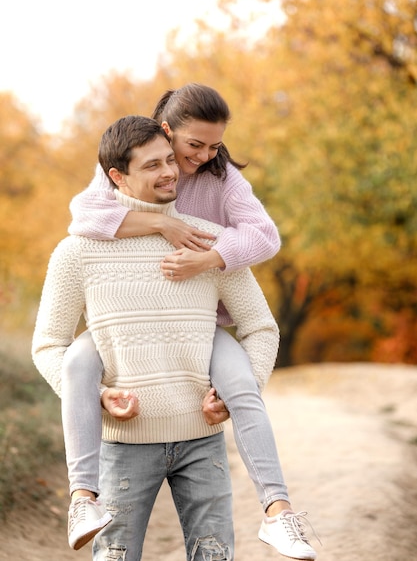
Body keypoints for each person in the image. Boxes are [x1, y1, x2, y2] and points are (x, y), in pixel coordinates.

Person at [64, 84, 318, 559]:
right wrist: (163, 223)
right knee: (78, 360)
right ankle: (83, 498)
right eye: (193, 145)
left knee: (241, 382)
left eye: (214, 145)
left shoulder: (222, 178)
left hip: (204, 316)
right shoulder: (135, 156)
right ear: (166, 132)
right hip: (129, 318)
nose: (202, 156)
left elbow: (265, 237)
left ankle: (278, 512)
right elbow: (85, 215)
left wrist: (211, 257)